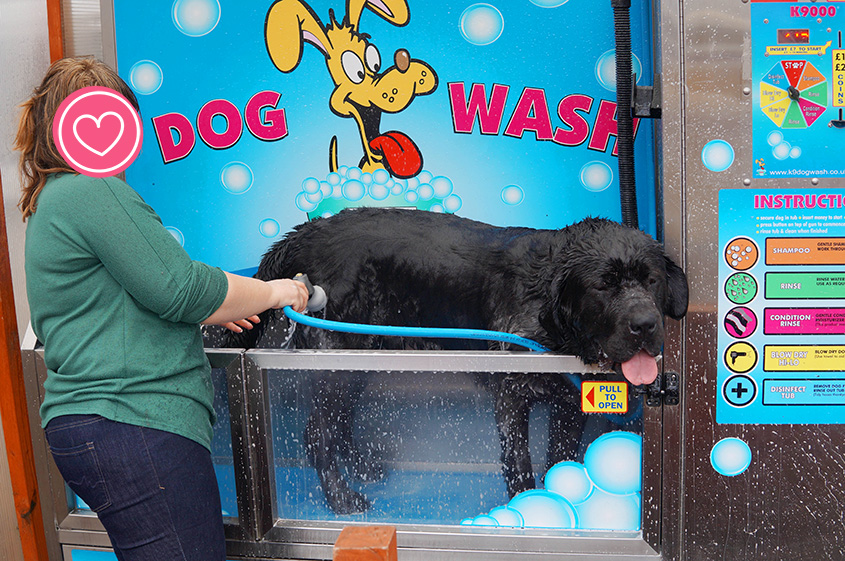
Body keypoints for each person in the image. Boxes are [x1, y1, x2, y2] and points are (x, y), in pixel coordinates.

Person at [15, 56, 309, 561]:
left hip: (95, 423)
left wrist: (212, 306)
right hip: (132, 420)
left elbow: (129, 298)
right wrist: (280, 291)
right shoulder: (93, 191)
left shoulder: (54, 200)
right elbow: (180, 287)